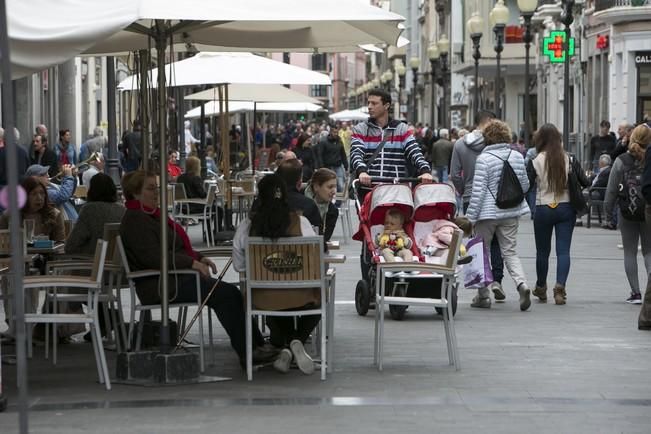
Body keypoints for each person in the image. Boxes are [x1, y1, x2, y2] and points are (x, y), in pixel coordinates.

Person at [119, 170, 276, 368]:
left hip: (173, 278)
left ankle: (257, 346)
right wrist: (191, 263)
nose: (157, 193)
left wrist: (199, 257)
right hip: (160, 285)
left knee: (230, 293)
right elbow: (153, 257)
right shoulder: (136, 219)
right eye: (151, 189)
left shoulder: (150, 216)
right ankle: (250, 351)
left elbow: (173, 248)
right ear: (135, 193)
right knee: (226, 294)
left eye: (157, 188)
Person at [233, 174, 320, 375]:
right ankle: (296, 340)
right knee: (320, 297)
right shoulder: (301, 222)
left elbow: (239, 266)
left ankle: (288, 346)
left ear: (259, 197)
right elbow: (314, 260)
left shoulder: (248, 226)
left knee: (274, 299)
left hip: (263, 297)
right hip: (301, 295)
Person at [465, 119, 531, 311]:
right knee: (510, 251)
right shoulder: (517, 156)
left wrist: (470, 219)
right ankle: (522, 285)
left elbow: (477, 193)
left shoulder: (484, 159)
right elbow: (525, 185)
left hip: (487, 214)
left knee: (481, 252)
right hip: (511, 212)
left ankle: (483, 296)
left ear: (487, 138)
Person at [527, 124, 589, 306]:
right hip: (565, 207)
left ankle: (541, 287)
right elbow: (585, 181)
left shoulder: (535, 160)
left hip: (543, 208)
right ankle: (560, 289)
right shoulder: (569, 158)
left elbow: (527, 185)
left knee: (542, 252)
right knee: (563, 251)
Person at [0, 177, 65, 340]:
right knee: (11, 275)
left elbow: (61, 243)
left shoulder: (54, 215)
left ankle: (27, 324)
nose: (39, 198)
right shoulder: (10, 215)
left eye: (42, 194)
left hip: (45, 263)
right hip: (16, 262)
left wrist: (48, 246)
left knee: (29, 274)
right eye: (34, 194)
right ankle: (14, 324)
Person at [450, 110, 505, 300]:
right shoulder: (494, 144)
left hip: (469, 196)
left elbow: (455, 174)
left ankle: (483, 290)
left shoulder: (459, 144)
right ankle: (496, 280)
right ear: (490, 121)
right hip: (495, 197)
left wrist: (462, 189)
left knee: (478, 242)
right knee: (497, 240)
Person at [64, 173, 125, 340]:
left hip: (93, 269)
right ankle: (106, 319)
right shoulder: (122, 210)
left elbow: (71, 245)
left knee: (65, 278)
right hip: (118, 271)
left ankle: (107, 318)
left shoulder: (89, 210)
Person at [604, 124, 651, 305]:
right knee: (649, 252)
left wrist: (608, 215)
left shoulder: (621, 160)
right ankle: (649, 292)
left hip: (627, 211)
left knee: (630, 252)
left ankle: (636, 293)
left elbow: (611, 190)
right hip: (648, 209)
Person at [350, 88, 432, 188]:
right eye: (368, 103)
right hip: (368, 188)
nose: (369, 107)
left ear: (386, 106)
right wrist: (362, 171)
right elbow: (356, 153)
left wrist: (425, 170)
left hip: (395, 190)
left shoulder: (401, 129)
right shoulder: (360, 129)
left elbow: (415, 152)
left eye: (374, 103)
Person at [274, 159, 322, 230]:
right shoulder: (308, 204)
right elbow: (319, 234)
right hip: (302, 240)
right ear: (299, 183)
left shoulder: (261, 202)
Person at [304, 168, 338, 243]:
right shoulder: (301, 202)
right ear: (316, 187)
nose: (334, 191)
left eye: (335, 187)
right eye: (330, 187)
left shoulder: (332, 211)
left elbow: (325, 239)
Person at [315, 124, 348, 192]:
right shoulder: (324, 142)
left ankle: (338, 202)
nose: (336, 134)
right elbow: (319, 155)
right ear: (330, 132)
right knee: (329, 185)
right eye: (334, 132)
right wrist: (321, 167)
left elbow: (343, 154)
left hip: (338, 166)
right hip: (328, 166)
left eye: (337, 132)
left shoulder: (339, 141)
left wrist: (346, 166)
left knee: (341, 185)